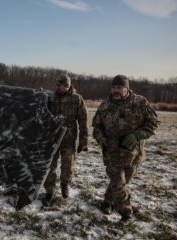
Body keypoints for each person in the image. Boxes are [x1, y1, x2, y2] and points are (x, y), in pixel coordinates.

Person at [92, 75, 160, 223]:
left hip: (133, 154)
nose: (116, 90)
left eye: (119, 87)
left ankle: (107, 202)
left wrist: (137, 135)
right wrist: (101, 139)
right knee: (118, 183)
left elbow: (153, 122)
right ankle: (126, 214)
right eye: (114, 87)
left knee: (122, 182)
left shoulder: (140, 102)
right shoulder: (105, 105)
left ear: (126, 88)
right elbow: (96, 127)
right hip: (111, 153)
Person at [43, 74, 88, 203]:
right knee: (49, 167)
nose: (57, 87)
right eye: (56, 85)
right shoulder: (50, 98)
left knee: (68, 166)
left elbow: (83, 121)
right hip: (52, 140)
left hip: (69, 139)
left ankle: (64, 185)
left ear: (67, 86)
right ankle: (49, 191)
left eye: (60, 85)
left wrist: (83, 141)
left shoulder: (77, 99)